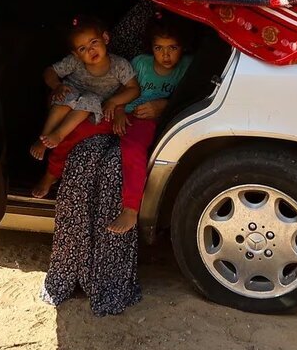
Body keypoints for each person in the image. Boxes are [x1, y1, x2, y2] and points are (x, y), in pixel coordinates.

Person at [30, 15, 138, 198]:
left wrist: (113, 102)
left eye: (94, 42)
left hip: (92, 107)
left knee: (90, 100)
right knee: (67, 97)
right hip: (68, 102)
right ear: (76, 54)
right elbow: (49, 71)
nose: (90, 50)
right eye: (83, 48)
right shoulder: (75, 62)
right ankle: (43, 138)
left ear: (105, 38)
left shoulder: (119, 65)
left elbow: (133, 89)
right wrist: (57, 86)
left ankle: (55, 146)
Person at [108, 15, 192, 235]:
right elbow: (122, 91)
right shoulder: (140, 63)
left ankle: (130, 208)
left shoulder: (187, 67)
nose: (165, 54)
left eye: (172, 47)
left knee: (133, 148)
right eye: (159, 48)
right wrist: (117, 111)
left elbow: (191, 98)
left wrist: (163, 105)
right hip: (126, 112)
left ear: (183, 47)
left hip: (149, 120)